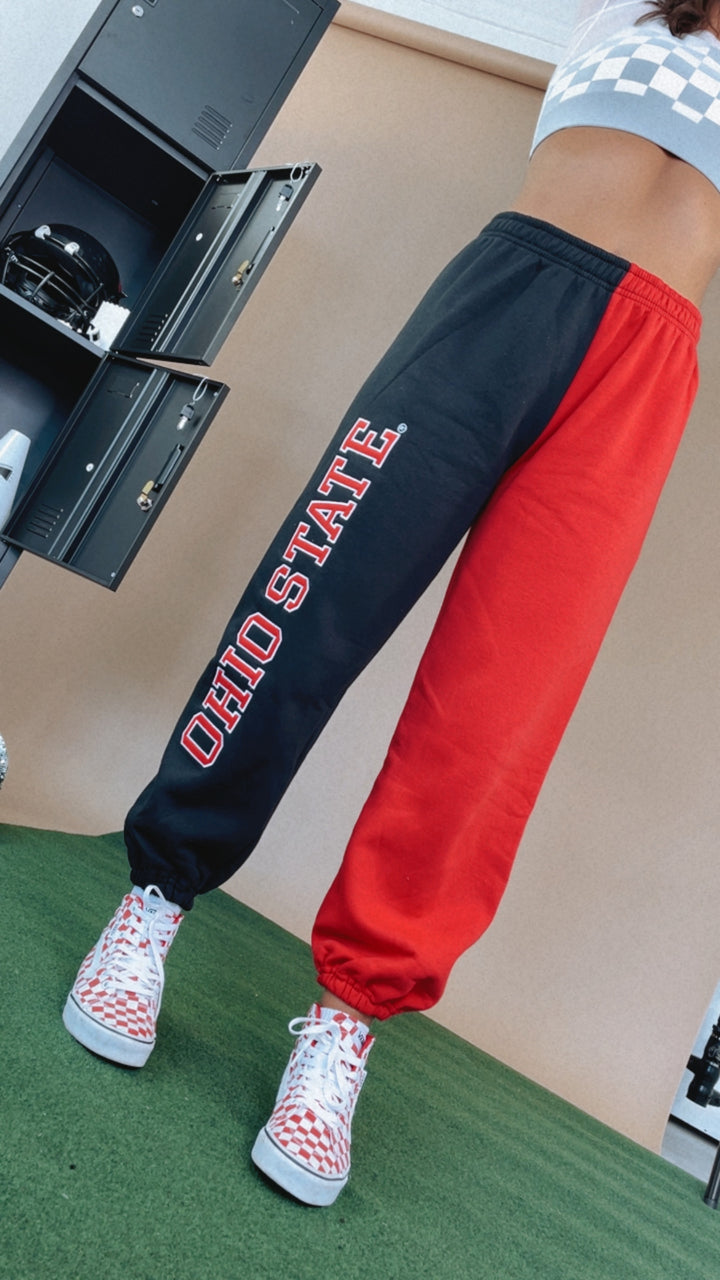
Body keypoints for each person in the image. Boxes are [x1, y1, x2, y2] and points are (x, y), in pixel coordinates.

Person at [63, 0, 720, 1207]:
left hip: (647, 370)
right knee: (319, 593)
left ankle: (346, 1023)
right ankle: (154, 897)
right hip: (510, 292)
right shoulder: (625, 16)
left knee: (500, 712)